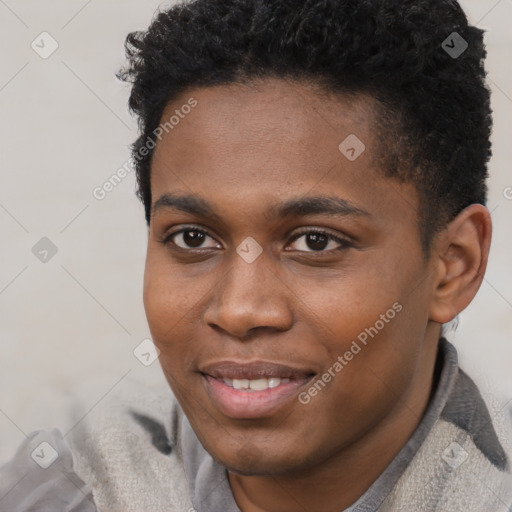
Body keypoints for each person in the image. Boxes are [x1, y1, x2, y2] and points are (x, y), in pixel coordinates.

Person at [1, 0, 511, 510]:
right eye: (193, 238)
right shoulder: (73, 485)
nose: (239, 310)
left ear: (453, 266)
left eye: (316, 241)